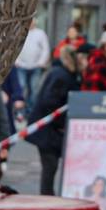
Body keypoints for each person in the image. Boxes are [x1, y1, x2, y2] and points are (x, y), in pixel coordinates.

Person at [30, 44, 83, 195]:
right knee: (50, 166)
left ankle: (48, 202)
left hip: (49, 129)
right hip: (48, 130)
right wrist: (61, 124)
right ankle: (47, 204)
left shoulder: (63, 73)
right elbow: (49, 102)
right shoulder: (62, 75)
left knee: (50, 166)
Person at [15, 18, 52, 104]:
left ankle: (31, 111)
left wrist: (41, 62)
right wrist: (16, 61)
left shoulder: (40, 34)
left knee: (34, 88)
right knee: (22, 88)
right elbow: (14, 48)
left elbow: (45, 49)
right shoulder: (20, 32)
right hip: (21, 66)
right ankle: (21, 111)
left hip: (36, 66)